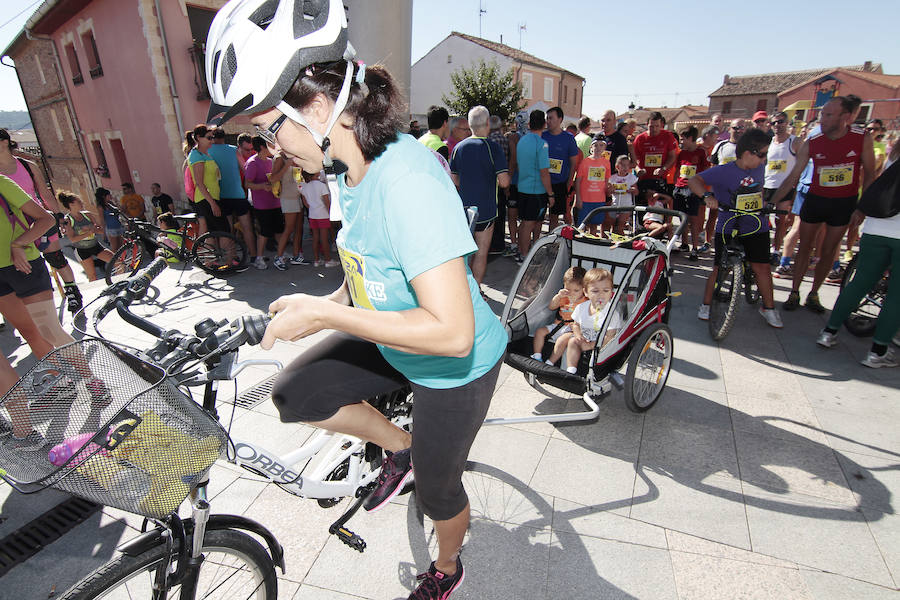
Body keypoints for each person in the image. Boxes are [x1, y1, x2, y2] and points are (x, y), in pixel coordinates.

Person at [205, 1, 507, 597]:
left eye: (269, 131)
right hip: (391, 333)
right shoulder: (347, 171)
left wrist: (324, 314)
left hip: (453, 366)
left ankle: (447, 569)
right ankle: (401, 447)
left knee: (438, 492)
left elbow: (453, 333)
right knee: (296, 394)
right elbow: (365, 270)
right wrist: (323, 298)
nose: (270, 151)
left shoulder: (409, 180)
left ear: (316, 107)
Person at [771, 96, 875, 313]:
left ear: (845, 117)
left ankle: (814, 293)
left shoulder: (862, 138)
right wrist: (772, 201)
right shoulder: (813, 141)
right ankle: (794, 292)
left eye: (828, 115)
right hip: (815, 199)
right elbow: (794, 175)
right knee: (805, 247)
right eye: (821, 114)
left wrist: (863, 207)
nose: (822, 119)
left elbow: (870, 175)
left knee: (828, 250)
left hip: (844, 203)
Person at [688, 128, 783, 329]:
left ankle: (769, 307)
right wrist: (707, 197)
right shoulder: (724, 171)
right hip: (728, 226)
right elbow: (694, 180)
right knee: (718, 268)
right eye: (763, 154)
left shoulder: (759, 167)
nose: (765, 159)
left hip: (756, 226)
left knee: (762, 267)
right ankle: (706, 305)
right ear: (748, 153)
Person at [0, 128, 83, 312]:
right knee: (20, 264)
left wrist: (58, 215)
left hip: (39, 219)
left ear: (4, 142)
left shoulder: (28, 166)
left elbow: (45, 193)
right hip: (11, 225)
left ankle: (72, 292)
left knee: (55, 257)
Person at [450, 105, 510, 286]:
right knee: (481, 253)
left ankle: (463, 290)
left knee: (465, 253)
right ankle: (476, 291)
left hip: (463, 209)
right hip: (486, 210)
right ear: (487, 124)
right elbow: (505, 182)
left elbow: (454, 180)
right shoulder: (493, 147)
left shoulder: (459, 147)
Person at [209, 127, 257, 261]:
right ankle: (254, 256)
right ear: (224, 137)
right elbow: (245, 168)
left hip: (221, 195)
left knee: (228, 229)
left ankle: (233, 256)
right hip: (237, 193)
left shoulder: (208, 152)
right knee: (247, 227)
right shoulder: (233, 149)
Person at [565, 268, 621, 374]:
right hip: (585, 340)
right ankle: (571, 370)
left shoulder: (611, 313)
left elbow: (610, 337)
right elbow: (575, 324)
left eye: (606, 290)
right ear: (585, 292)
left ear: (611, 292)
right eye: (595, 291)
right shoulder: (581, 308)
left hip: (603, 346)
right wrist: (578, 335)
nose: (601, 294)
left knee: (605, 348)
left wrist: (591, 345)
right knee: (572, 341)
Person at [516, 110, 554, 259]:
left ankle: (522, 251)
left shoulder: (522, 140)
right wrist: (551, 194)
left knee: (525, 223)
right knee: (528, 224)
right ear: (544, 124)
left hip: (523, 188)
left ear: (529, 124)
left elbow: (519, 165)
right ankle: (525, 255)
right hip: (536, 191)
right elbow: (544, 172)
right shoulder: (542, 144)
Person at [244, 136, 286, 270]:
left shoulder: (270, 161)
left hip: (276, 201)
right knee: (265, 232)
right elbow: (247, 184)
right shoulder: (252, 163)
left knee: (279, 229)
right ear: (262, 147)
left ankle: (281, 254)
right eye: (269, 144)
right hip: (262, 205)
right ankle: (259, 258)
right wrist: (263, 186)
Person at [530, 266, 586, 363]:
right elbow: (551, 307)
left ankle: (550, 362)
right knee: (539, 332)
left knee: (561, 341)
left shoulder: (585, 301)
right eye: (568, 289)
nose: (571, 293)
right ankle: (537, 355)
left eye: (576, 290)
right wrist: (558, 297)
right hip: (558, 324)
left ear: (584, 289)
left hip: (572, 329)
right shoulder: (564, 297)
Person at [764, 112, 799, 264]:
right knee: (762, 220)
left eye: (781, 122)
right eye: (774, 123)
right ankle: (763, 247)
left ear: (787, 123)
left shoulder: (795, 142)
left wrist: (796, 189)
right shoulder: (769, 142)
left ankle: (776, 251)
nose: (777, 125)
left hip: (785, 188)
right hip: (767, 186)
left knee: (781, 221)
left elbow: (802, 165)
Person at [58, 191, 113, 281]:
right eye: (79, 202)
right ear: (71, 205)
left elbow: (101, 230)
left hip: (96, 246)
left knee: (118, 262)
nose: (82, 203)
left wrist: (96, 229)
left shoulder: (88, 215)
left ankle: (120, 283)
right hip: (81, 250)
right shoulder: (68, 220)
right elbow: (72, 239)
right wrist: (89, 232)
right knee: (92, 276)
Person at [672, 126, 710, 259]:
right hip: (680, 187)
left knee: (693, 220)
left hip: (693, 189)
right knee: (683, 218)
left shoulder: (701, 152)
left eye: (682, 139)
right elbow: (678, 170)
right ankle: (684, 243)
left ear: (690, 138)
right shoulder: (681, 153)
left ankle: (694, 248)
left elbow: (706, 171)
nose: (681, 142)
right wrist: (675, 185)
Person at [542, 106, 580, 229]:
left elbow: (574, 162)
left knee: (555, 215)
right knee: (539, 216)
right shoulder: (542, 136)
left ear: (560, 119)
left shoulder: (568, 138)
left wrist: (569, 181)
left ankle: (552, 242)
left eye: (551, 118)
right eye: (547, 118)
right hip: (542, 182)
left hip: (560, 183)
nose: (548, 121)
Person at [187, 124, 229, 235]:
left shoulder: (205, 154)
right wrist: (213, 204)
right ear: (198, 138)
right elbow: (199, 183)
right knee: (224, 231)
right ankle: (229, 253)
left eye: (213, 137)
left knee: (214, 232)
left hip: (212, 197)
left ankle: (214, 252)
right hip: (206, 199)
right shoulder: (196, 155)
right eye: (209, 138)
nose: (212, 140)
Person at [632, 112, 678, 209]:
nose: (654, 129)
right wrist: (637, 170)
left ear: (661, 125)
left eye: (657, 126)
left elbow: (672, 156)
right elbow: (633, 158)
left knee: (660, 209)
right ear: (646, 125)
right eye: (651, 126)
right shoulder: (640, 138)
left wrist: (664, 168)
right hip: (644, 179)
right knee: (642, 210)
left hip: (660, 180)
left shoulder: (668, 136)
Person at [271, 153, 310, 266]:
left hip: (297, 196)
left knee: (299, 228)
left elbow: (298, 178)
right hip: (287, 198)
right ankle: (278, 258)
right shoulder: (279, 158)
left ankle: (296, 255)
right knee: (289, 228)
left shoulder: (294, 155)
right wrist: (287, 165)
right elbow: (273, 178)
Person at [573, 138, 611, 235]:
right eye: (596, 145)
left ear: (605, 147)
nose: (598, 148)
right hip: (585, 200)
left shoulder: (606, 163)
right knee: (581, 226)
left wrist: (609, 193)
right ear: (591, 147)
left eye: (601, 145)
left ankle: (591, 245)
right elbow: (578, 181)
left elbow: (607, 181)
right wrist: (578, 199)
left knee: (594, 225)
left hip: (599, 200)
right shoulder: (585, 162)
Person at [300, 170, 337, 267]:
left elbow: (306, 204)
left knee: (315, 238)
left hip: (312, 215)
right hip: (323, 215)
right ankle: (328, 260)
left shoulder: (304, 186)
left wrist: (313, 208)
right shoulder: (321, 186)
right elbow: (327, 202)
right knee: (324, 238)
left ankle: (317, 260)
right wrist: (331, 214)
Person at [608, 155, 639, 235]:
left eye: (627, 165)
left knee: (620, 226)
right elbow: (608, 193)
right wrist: (611, 190)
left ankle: (621, 242)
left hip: (626, 205)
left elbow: (636, 192)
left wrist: (632, 190)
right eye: (623, 165)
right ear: (617, 166)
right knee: (612, 226)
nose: (626, 168)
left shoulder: (631, 178)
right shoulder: (612, 178)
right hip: (614, 204)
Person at [94, 187, 123, 253]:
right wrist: (104, 233)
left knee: (121, 246)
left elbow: (119, 211)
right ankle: (117, 262)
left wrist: (117, 203)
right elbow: (102, 219)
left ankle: (123, 260)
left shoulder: (111, 204)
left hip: (118, 225)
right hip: (111, 228)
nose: (110, 196)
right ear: (104, 196)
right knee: (115, 248)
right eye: (108, 195)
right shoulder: (101, 207)